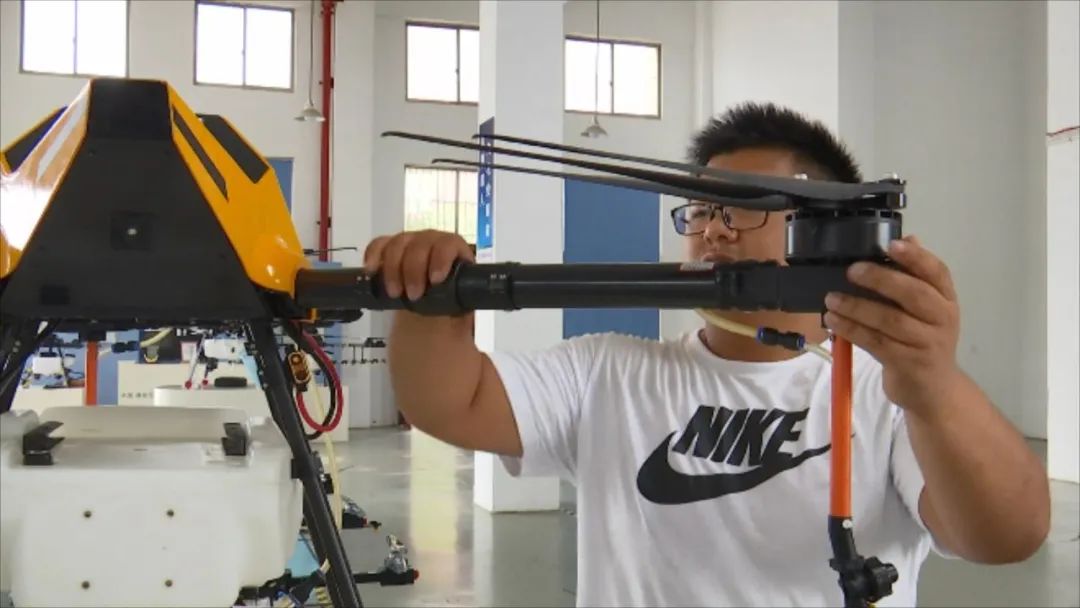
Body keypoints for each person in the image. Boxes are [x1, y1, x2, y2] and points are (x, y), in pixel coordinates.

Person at [363, 102, 1050, 607]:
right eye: (699, 210)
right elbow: (451, 402)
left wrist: (933, 385)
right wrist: (429, 292)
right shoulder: (610, 371)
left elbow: (1007, 535)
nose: (712, 231)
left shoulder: (886, 391)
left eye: (740, 208)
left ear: (823, 227)